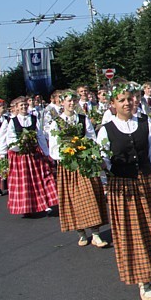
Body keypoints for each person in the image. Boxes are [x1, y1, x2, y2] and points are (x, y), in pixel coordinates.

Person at [96, 82, 151, 300]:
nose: (127, 103)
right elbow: (104, 162)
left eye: (129, 98)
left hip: (146, 182)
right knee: (134, 233)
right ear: (112, 105)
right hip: (122, 187)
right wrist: (105, 181)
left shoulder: (145, 123)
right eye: (121, 100)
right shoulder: (106, 130)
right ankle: (144, 282)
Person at [49, 90, 108, 248]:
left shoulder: (83, 118)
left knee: (91, 196)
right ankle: (81, 233)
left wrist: (86, 151)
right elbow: (53, 148)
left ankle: (96, 233)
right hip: (69, 166)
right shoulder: (57, 122)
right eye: (68, 101)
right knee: (73, 199)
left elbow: (91, 138)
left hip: (84, 163)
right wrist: (68, 153)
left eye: (73, 100)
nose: (71, 103)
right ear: (62, 103)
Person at [0, 96, 58, 218]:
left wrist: (47, 153)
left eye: (25, 105)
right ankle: (27, 206)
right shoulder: (11, 121)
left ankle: (45, 203)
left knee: (42, 178)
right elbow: (9, 139)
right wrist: (8, 152)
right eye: (21, 105)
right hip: (20, 156)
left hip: (34, 153)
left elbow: (40, 136)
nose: (24, 107)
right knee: (25, 182)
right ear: (16, 108)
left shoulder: (34, 119)